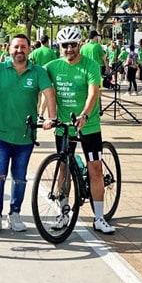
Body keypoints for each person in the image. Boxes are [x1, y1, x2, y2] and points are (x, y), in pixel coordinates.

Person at [0, 34, 55, 234]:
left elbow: (49, 93)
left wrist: (51, 117)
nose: (20, 51)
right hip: (0, 134)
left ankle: (15, 213)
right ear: (9, 49)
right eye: (16, 47)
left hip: (25, 136)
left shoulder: (38, 72)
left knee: (19, 177)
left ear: (29, 50)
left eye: (23, 47)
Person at [42, 26, 115, 234]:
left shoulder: (90, 65)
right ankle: (63, 213)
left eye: (73, 44)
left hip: (88, 125)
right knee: (63, 169)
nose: (69, 49)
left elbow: (93, 93)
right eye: (65, 45)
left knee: (95, 168)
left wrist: (84, 114)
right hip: (64, 127)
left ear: (79, 45)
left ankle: (99, 217)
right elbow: (41, 88)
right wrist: (46, 117)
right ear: (59, 47)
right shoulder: (52, 67)